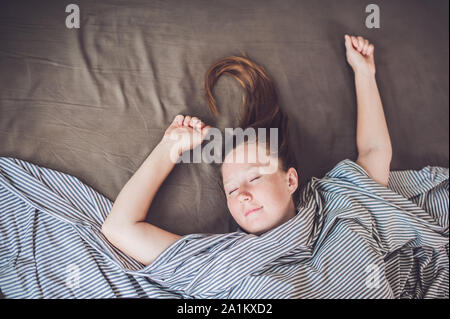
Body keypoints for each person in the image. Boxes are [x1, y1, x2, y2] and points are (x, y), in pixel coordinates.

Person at [101, 34, 393, 266]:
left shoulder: (336, 208)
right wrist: (170, 147)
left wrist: (363, 72)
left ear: (290, 180)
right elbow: (120, 228)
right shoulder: (219, 259)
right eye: (230, 190)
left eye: (254, 177)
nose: (241, 196)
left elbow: (374, 151)